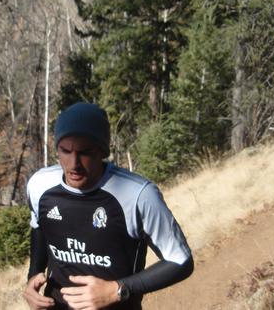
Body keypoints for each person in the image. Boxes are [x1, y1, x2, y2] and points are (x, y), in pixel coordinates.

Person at [23, 102, 193, 310]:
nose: (74, 164)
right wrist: (32, 278)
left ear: (103, 150)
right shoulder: (40, 185)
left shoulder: (138, 195)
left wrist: (118, 289)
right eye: (65, 151)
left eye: (85, 153)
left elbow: (181, 261)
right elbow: (39, 228)